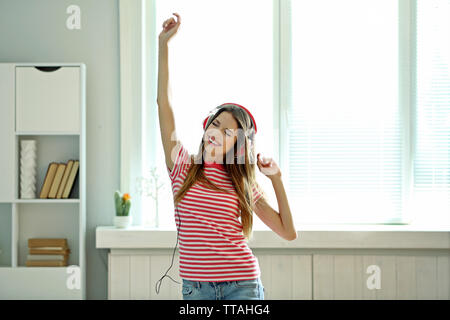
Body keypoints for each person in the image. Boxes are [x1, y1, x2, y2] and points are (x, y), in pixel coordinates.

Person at [157, 13, 297, 300]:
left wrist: (277, 179)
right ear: (206, 125)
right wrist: (164, 45)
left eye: (228, 132)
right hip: (195, 288)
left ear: (238, 145)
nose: (216, 132)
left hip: (242, 284)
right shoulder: (182, 165)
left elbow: (287, 232)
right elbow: (164, 103)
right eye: (215, 124)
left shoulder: (243, 184)